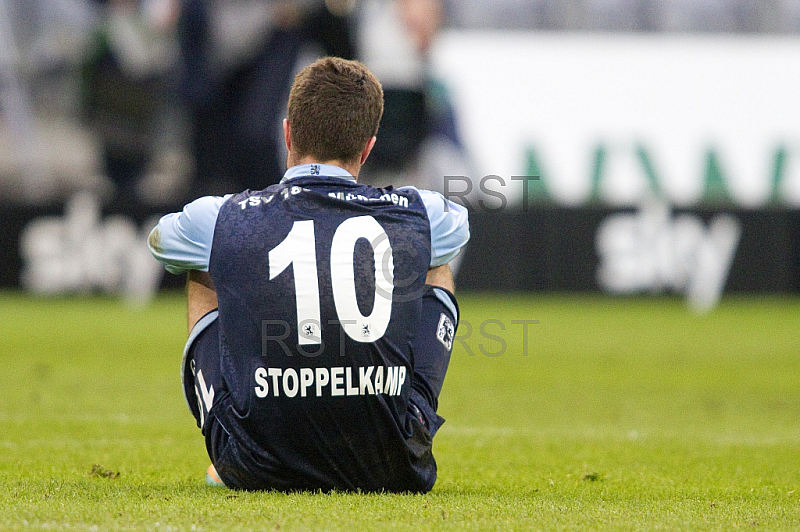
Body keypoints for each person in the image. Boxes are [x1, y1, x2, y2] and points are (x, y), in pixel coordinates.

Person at [147, 57, 469, 492]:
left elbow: (162, 240)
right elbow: (459, 225)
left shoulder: (221, 216)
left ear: (287, 134)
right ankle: (412, 427)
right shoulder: (420, 211)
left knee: (203, 265)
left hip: (253, 465)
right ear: (368, 147)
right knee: (436, 261)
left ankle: (233, 448)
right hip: (390, 467)